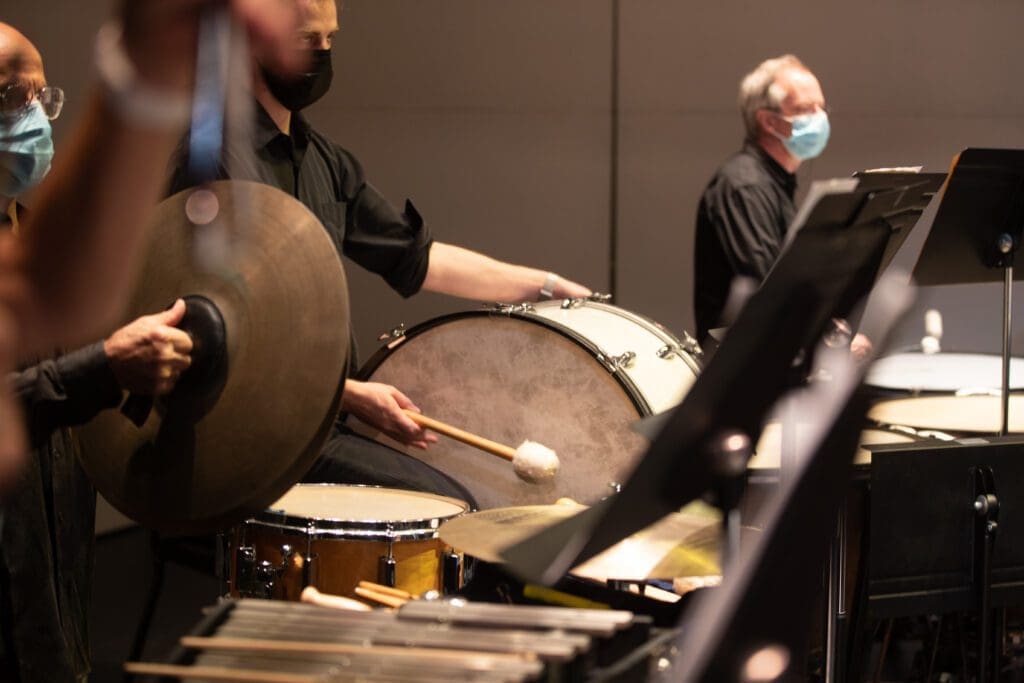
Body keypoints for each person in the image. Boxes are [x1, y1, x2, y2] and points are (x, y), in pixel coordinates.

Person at [168, 0, 593, 505]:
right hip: (248, 431)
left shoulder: (323, 158)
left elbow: (416, 257)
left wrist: (548, 286)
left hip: (320, 420)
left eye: (331, 39)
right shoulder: (212, 160)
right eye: (308, 40)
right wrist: (346, 394)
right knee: (451, 506)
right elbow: (211, 331)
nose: (322, 55)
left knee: (464, 488)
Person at [0, 4, 301, 678]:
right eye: (6, 96)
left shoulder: (18, 228)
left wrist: (153, 64)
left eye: (38, 96)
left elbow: (54, 290)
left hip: (53, 579)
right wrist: (105, 366)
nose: (34, 117)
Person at [693, 54, 830, 345]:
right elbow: (770, 290)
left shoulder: (773, 182)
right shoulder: (744, 186)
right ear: (769, 121)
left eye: (822, 107)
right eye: (806, 109)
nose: (820, 118)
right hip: (739, 375)